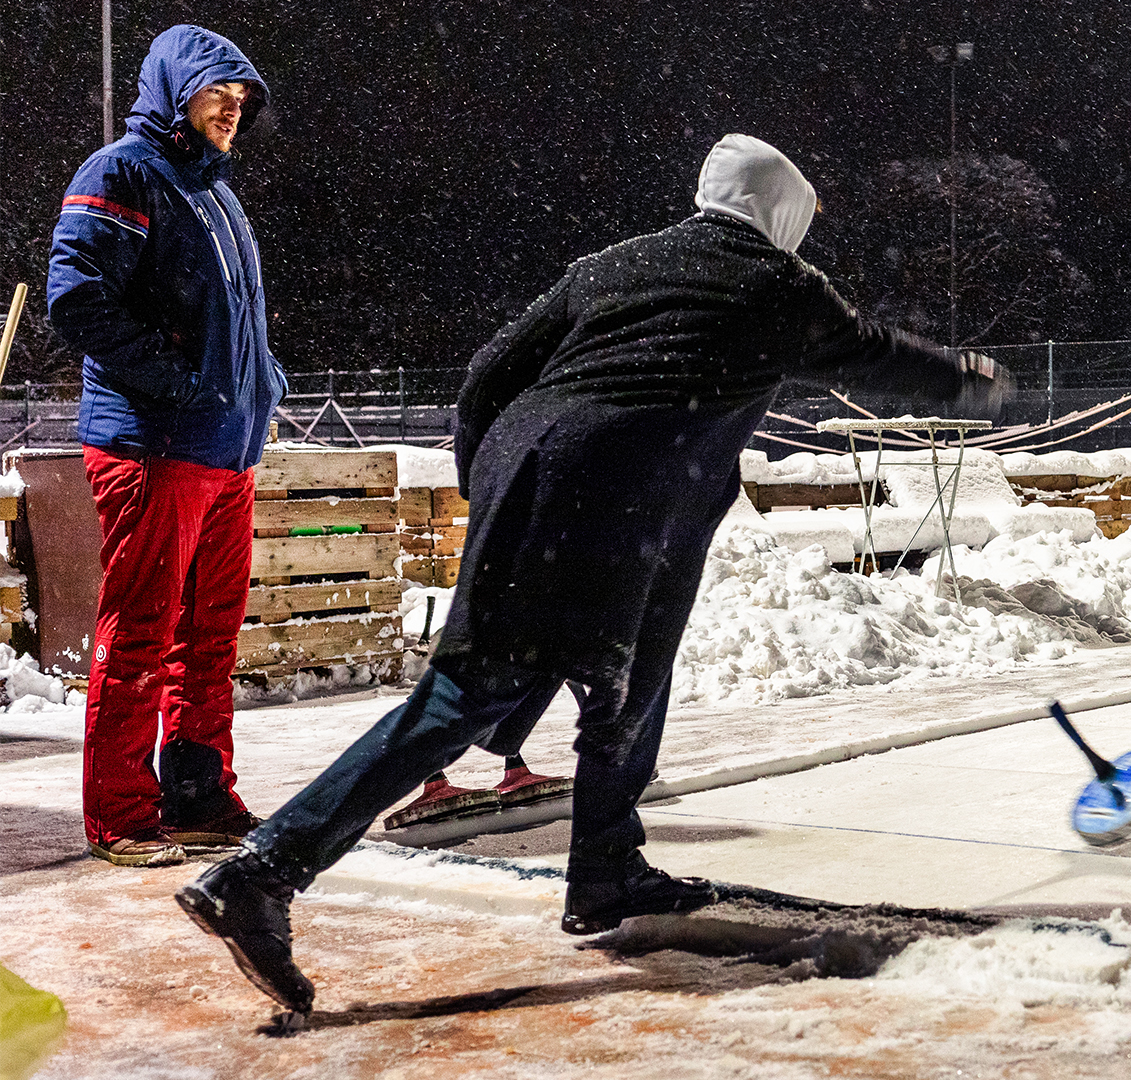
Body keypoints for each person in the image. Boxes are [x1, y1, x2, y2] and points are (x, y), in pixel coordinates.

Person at [178, 133, 1009, 1017]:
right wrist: (965, 378)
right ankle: (263, 871)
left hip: (555, 480)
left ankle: (607, 871)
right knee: (476, 697)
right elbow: (877, 354)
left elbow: (487, 375)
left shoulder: (609, 267)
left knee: (628, 683)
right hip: (629, 493)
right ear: (780, 216)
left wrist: (495, 483)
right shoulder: (775, 284)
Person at [47, 25, 285, 868]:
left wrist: (266, 382)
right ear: (174, 92)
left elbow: (234, 318)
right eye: (217, 93)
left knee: (210, 634)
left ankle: (196, 794)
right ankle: (121, 813)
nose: (233, 109)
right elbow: (75, 300)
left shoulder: (214, 191)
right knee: (143, 631)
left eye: (242, 98)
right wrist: (175, 384)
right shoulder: (122, 172)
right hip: (155, 445)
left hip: (227, 447)